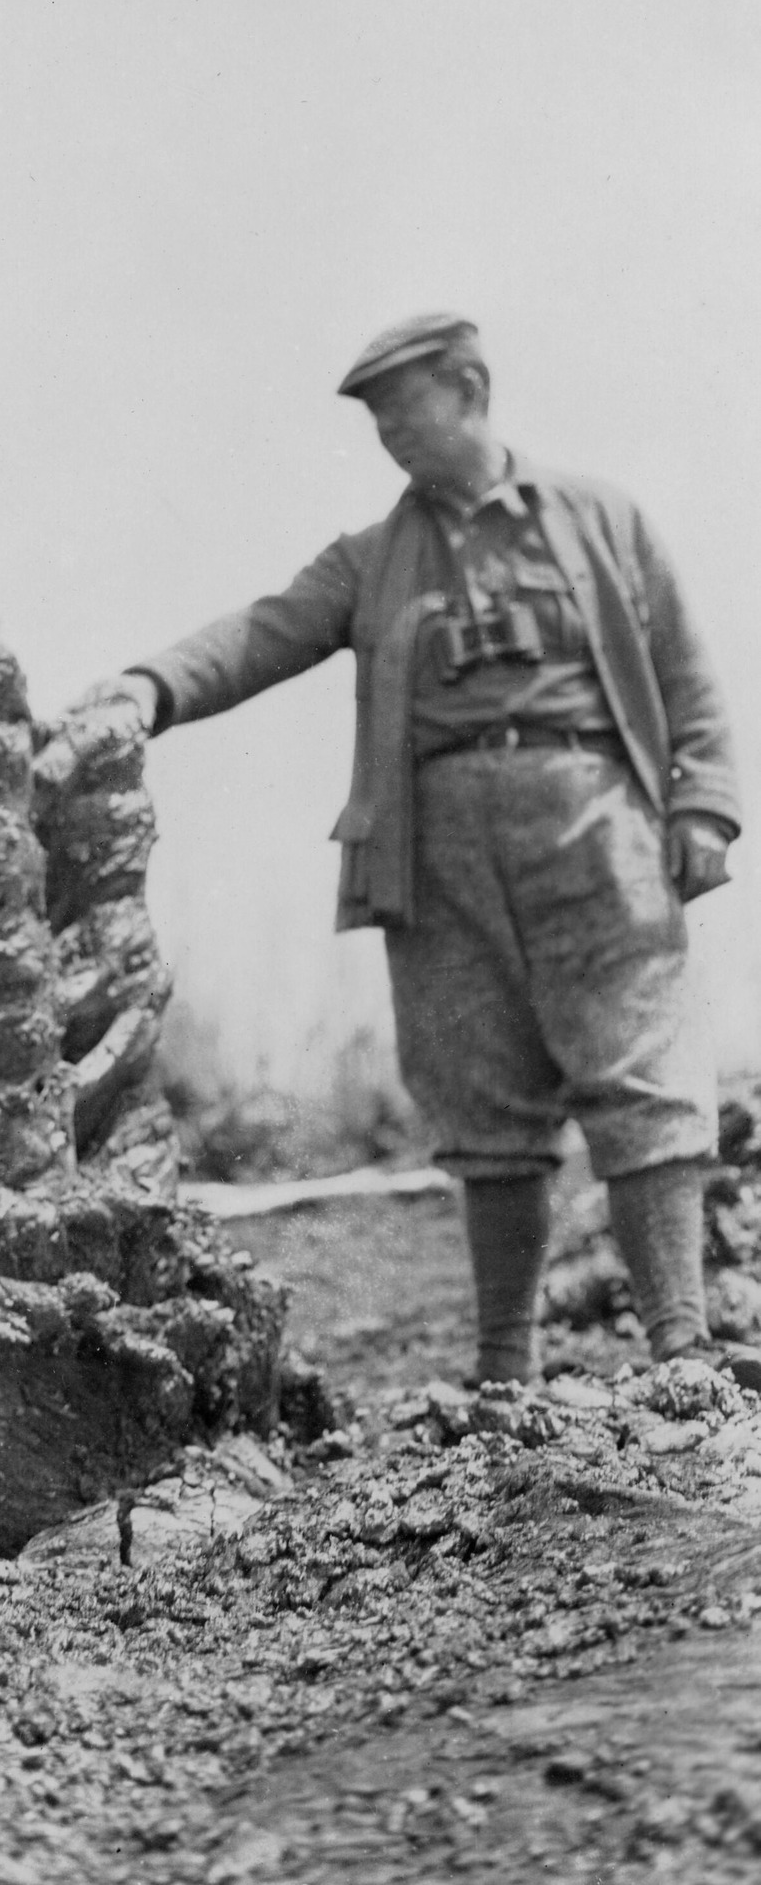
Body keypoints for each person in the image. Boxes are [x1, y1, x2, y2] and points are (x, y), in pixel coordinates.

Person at [97, 310, 752, 1387]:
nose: (390, 437)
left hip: (600, 837)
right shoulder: (372, 560)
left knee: (642, 1073)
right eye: (377, 423)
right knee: (481, 1097)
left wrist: (706, 810)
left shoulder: (600, 517)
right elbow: (263, 631)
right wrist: (147, 686)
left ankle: (681, 1347)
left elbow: (686, 671)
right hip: (437, 859)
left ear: (470, 389)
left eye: (405, 411)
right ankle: (505, 1367)